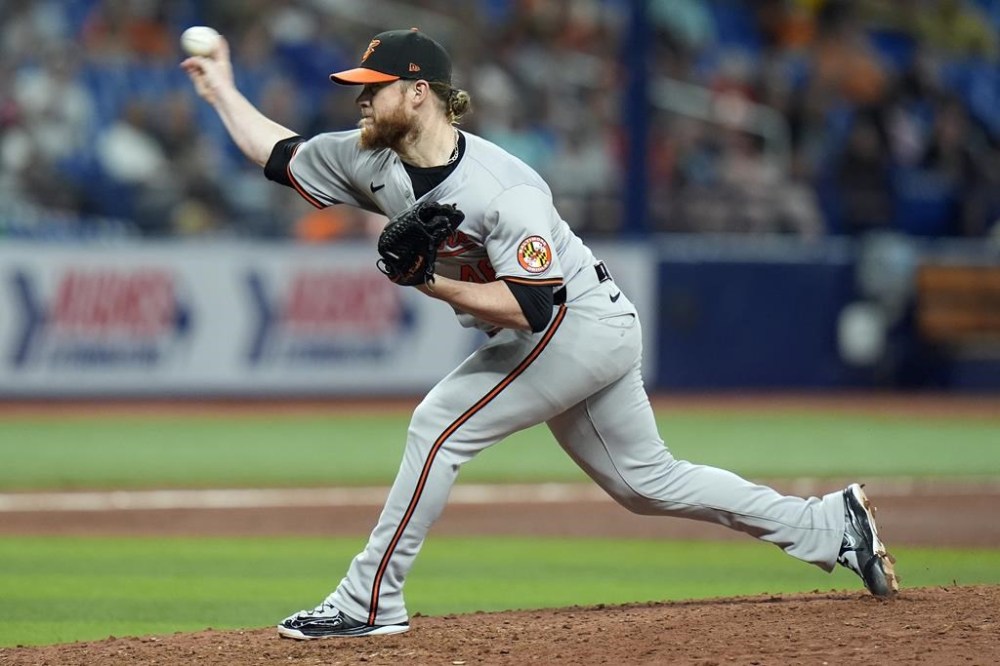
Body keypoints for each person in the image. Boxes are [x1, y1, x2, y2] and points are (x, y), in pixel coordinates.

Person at [181, 27, 898, 640]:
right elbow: (280, 155)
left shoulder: (503, 187)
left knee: (438, 426)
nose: (360, 100)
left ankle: (368, 600)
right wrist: (222, 91)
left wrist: (428, 282)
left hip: (574, 321)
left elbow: (531, 307)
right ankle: (827, 526)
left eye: (375, 87)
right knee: (645, 483)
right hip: (575, 326)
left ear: (420, 92)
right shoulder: (370, 157)